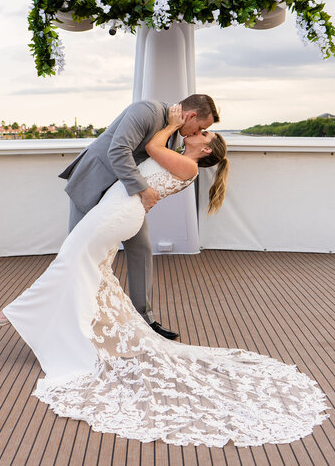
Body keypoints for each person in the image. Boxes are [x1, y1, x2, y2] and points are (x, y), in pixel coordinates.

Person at [0, 107, 329, 447]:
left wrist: (174, 124)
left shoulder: (188, 166)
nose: (196, 133)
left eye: (203, 134)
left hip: (119, 213)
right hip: (115, 208)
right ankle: (63, 326)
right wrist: (176, 127)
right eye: (200, 128)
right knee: (81, 265)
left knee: (71, 260)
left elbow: (150, 149)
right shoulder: (182, 156)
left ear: (205, 149)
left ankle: (13, 313)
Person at [58, 94, 219, 340]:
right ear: (192, 115)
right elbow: (118, 151)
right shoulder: (146, 111)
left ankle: (144, 319)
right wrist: (143, 190)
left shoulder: (174, 131)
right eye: (201, 127)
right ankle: (73, 318)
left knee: (141, 248)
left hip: (123, 195)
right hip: (94, 181)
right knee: (77, 250)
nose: (196, 132)